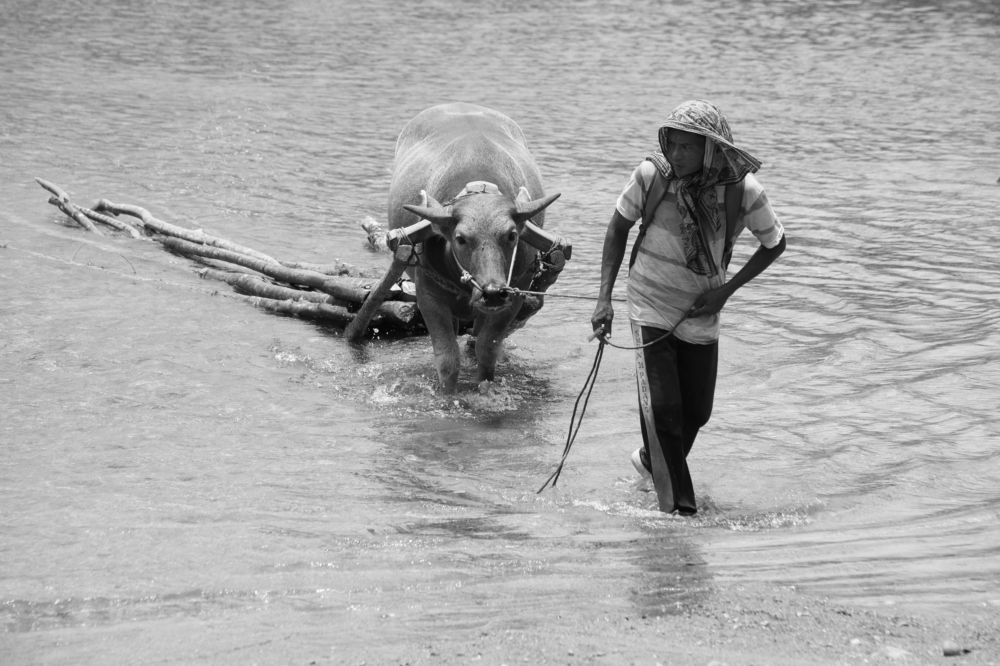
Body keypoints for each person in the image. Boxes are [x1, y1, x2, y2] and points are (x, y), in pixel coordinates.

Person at [590, 100, 786, 516]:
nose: (675, 155)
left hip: (701, 310)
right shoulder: (651, 177)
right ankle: (679, 511)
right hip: (649, 303)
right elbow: (618, 227)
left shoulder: (741, 191)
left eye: (686, 148)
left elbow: (775, 244)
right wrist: (604, 298)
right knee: (663, 411)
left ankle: (649, 463)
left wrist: (726, 292)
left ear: (711, 150)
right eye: (671, 145)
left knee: (697, 412)